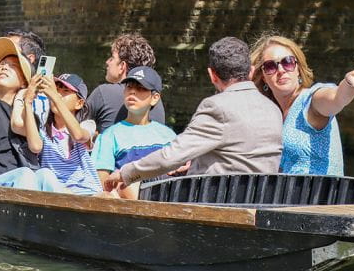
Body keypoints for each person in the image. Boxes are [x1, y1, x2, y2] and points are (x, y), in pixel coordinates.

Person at [102, 37, 284, 191]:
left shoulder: (216, 106)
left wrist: (125, 173)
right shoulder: (273, 110)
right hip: (260, 206)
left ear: (212, 75)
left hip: (215, 208)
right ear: (251, 71)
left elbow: (170, 157)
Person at [249, 35, 354, 176]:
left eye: (288, 62)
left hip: (322, 196)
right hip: (287, 195)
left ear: (298, 68)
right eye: (270, 66)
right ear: (263, 77)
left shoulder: (311, 100)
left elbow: (337, 98)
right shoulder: (272, 114)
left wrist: (350, 82)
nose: (281, 70)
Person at [0, 37, 60, 190]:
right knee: (25, 175)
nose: (4, 67)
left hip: (18, 185)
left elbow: (33, 143)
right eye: (1, 65)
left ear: (23, 83)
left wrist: (23, 98)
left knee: (46, 174)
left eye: (13, 66)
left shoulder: (27, 115)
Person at [91, 66, 176, 200]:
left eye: (141, 88)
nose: (133, 92)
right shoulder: (110, 135)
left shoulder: (168, 135)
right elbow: (103, 181)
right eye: (129, 87)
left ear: (155, 98)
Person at [17, 73, 102, 195]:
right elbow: (35, 147)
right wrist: (28, 102)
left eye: (65, 91)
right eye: (56, 89)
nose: (58, 94)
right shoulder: (43, 130)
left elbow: (78, 136)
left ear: (79, 103)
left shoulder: (87, 125)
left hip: (86, 193)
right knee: (42, 174)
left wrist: (55, 97)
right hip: (55, 193)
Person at [86, 33, 166, 134]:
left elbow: (74, 130)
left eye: (112, 58)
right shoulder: (155, 100)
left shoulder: (104, 92)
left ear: (122, 66)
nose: (107, 62)